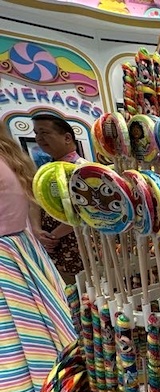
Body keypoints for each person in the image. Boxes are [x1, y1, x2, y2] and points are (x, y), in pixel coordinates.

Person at [0, 125, 77, 392]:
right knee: (41, 350)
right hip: (23, 256)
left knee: (26, 357)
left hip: (9, 266)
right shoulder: (9, 158)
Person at [30, 114, 86, 285]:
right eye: (36, 133)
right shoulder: (44, 170)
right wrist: (37, 230)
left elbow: (84, 212)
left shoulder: (84, 170)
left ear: (67, 138)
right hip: (52, 248)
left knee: (82, 289)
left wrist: (52, 237)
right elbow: (34, 201)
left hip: (78, 247)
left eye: (44, 132)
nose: (39, 138)